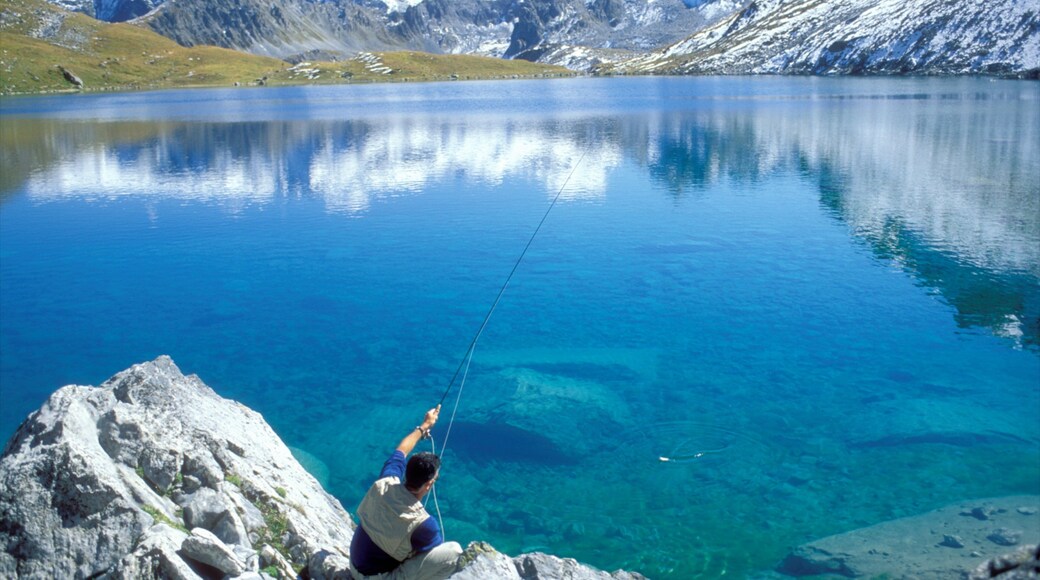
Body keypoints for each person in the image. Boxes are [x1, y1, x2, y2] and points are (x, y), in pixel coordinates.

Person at [349, 405, 462, 580]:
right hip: (373, 578)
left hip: (354, 565)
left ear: (406, 471)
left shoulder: (385, 483)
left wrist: (424, 425)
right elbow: (429, 556)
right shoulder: (424, 524)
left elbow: (401, 450)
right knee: (454, 552)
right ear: (429, 484)